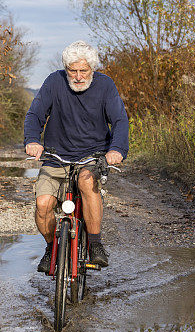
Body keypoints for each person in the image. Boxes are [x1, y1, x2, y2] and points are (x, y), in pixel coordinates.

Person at [24, 40, 129, 273]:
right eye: (73, 70)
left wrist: (116, 149)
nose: (78, 76)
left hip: (92, 155)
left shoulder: (105, 85)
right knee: (43, 205)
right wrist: (32, 140)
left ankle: (95, 244)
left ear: (92, 69)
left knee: (86, 181)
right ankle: (51, 249)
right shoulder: (54, 81)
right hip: (56, 156)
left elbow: (120, 120)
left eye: (84, 70)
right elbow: (35, 114)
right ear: (66, 69)